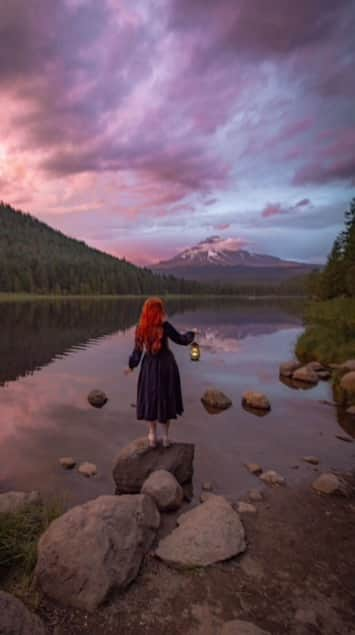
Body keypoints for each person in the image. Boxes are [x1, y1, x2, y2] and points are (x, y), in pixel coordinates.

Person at [125, 297, 195, 447]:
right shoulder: (165, 326)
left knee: (151, 398)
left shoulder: (141, 327)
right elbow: (181, 340)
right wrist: (192, 334)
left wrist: (131, 366)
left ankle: (152, 436)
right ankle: (165, 437)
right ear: (159, 311)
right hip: (166, 366)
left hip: (149, 366)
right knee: (166, 398)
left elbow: (137, 351)